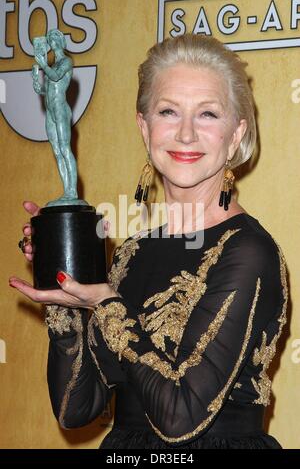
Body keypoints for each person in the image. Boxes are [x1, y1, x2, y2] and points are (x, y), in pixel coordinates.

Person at [10, 34, 288, 449]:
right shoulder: (129, 254)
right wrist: (63, 299)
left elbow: (179, 418)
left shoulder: (248, 252)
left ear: (235, 134)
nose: (186, 134)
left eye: (208, 114)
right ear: (144, 126)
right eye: (168, 111)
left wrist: (105, 304)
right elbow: (76, 409)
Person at [32, 29, 78, 205]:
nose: (51, 42)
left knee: (65, 148)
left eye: (54, 38)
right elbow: (50, 89)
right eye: (49, 39)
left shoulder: (66, 61)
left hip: (60, 109)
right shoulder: (52, 65)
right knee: (57, 151)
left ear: (60, 41)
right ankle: (67, 190)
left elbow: (57, 77)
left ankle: (72, 191)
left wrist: (43, 66)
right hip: (50, 110)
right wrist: (39, 87)